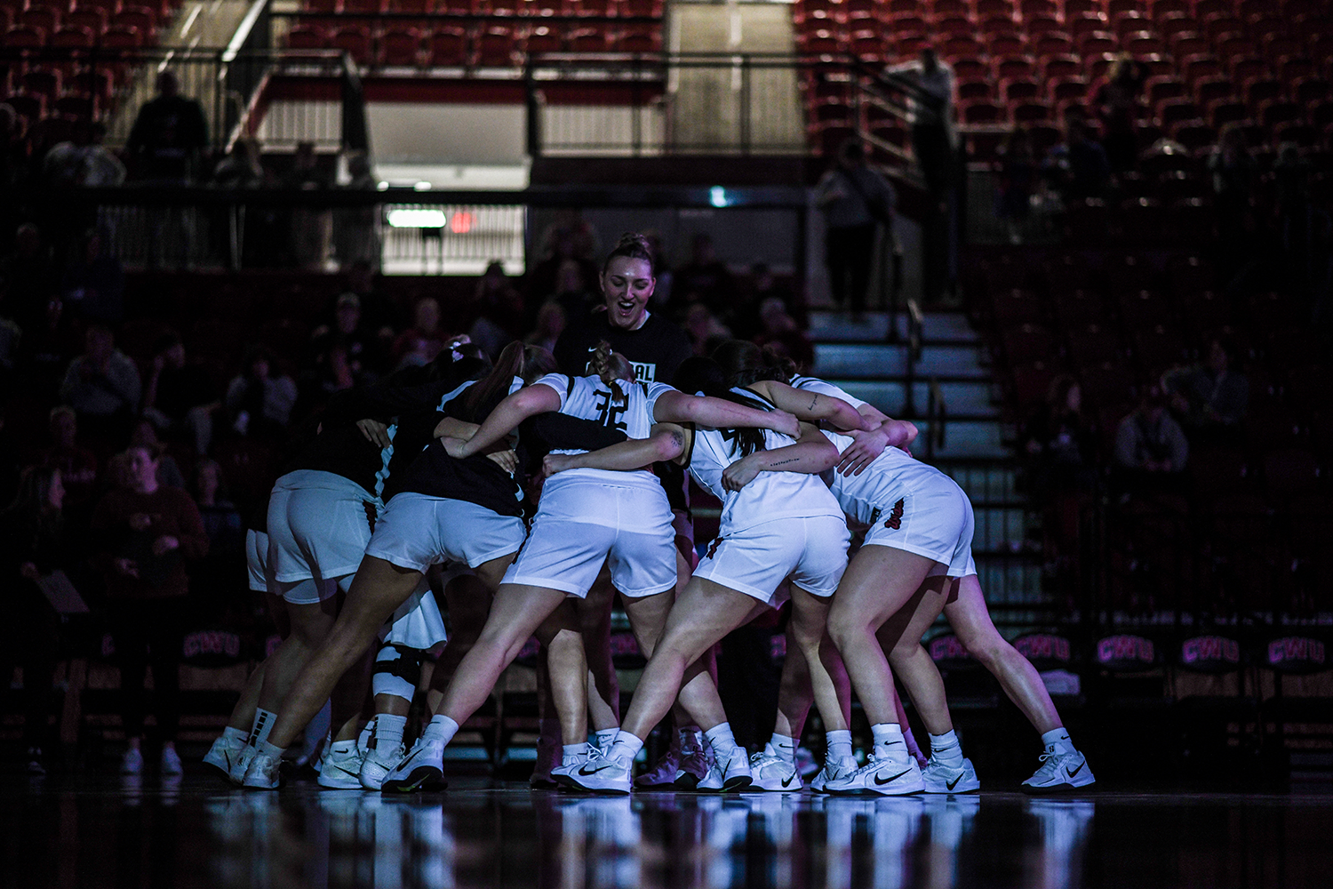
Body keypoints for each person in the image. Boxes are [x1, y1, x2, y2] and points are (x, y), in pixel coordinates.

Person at [361, 345, 805, 794]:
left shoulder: (563, 384)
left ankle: (430, 748)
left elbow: (517, 405)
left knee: (501, 637)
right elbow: (696, 408)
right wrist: (773, 419)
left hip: (575, 502)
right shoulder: (651, 392)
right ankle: (729, 757)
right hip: (643, 509)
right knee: (668, 648)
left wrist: (471, 446)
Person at [740, 370, 1094, 794]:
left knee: (849, 625)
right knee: (934, 642)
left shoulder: (806, 406)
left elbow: (897, 428)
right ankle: (977, 760)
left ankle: (893, 759)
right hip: (943, 500)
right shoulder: (805, 426)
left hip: (915, 505)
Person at [235, 344, 551, 789]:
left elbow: (362, 405)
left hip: (410, 510)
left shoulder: (435, 394)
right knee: (538, 632)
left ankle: (263, 758)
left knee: (341, 639)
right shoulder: (536, 399)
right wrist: (484, 439)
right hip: (479, 515)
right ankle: (396, 751)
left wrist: (460, 433)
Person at [91, 445, 209, 775]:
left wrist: (176, 542)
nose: (132, 466)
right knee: (130, 672)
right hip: (125, 598)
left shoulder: (177, 500)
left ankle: (169, 745)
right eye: (128, 460)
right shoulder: (112, 502)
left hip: (168, 598)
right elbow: (92, 550)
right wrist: (115, 563)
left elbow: (201, 544)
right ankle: (133, 745)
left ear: (156, 464)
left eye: (139, 460)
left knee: (166, 672)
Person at [0, 466, 71, 774]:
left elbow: (64, 565)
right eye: (57, 485)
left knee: (39, 682)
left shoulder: (57, 528)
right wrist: (18, 570)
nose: (63, 491)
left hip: (42, 614)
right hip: (9, 612)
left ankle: (35, 747)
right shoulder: (9, 524)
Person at [816, 140, 896, 320]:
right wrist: (830, 198)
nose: (851, 163)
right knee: (837, 268)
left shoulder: (871, 176)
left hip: (862, 230)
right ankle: (838, 302)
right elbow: (817, 201)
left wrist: (888, 208)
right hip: (838, 230)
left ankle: (857, 308)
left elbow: (889, 195)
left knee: (861, 270)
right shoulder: (832, 178)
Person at [886, 47, 956, 200]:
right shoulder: (916, 69)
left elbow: (942, 93)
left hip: (937, 124)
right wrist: (908, 74)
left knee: (939, 163)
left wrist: (917, 84)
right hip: (919, 123)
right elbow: (889, 74)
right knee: (922, 161)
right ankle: (927, 194)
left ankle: (940, 196)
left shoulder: (943, 71)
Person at [60, 324, 141, 449]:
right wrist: (82, 382)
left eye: (94, 342)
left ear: (108, 344)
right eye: (88, 341)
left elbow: (133, 397)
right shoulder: (78, 365)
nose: (89, 346)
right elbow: (64, 395)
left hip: (113, 419)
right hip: (83, 418)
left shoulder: (124, 365)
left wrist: (109, 376)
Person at [1162, 337, 1249, 434]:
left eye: (1218, 353)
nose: (1213, 356)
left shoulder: (1239, 381)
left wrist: (1222, 418)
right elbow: (1169, 377)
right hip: (1195, 425)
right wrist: (1177, 397)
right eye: (1212, 351)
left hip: (1222, 429)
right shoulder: (1199, 372)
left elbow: (1238, 412)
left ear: (1229, 358)